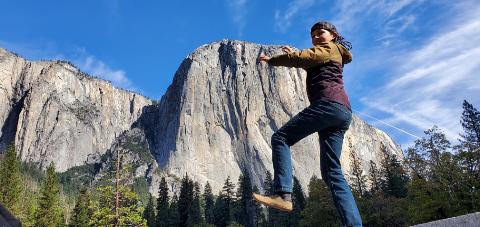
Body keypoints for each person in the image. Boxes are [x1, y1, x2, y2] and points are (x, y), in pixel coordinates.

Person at [253, 21, 363, 227]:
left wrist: (274, 60)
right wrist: (296, 53)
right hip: (341, 112)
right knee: (332, 173)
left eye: (321, 33)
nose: (316, 38)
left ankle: (283, 195)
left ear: (333, 35)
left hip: (329, 105)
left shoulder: (331, 48)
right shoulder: (332, 52)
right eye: (313, 36)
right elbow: (311, 60)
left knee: (280, 138)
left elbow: (307, 57)